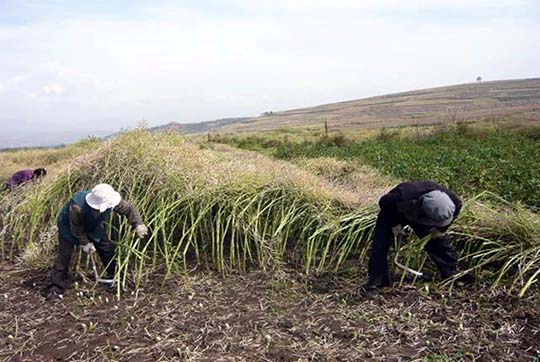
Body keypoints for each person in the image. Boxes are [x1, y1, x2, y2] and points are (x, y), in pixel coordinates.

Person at [46, 183, 148, 301]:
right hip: (69, 227)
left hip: (93, 225)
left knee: (106, 247)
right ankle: (55, 288)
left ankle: (115, 277)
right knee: (64, 255)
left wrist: (138, 224)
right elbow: (76, 228)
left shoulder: (110, 199)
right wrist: (84, 243)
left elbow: (129, 209)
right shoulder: (77, 207)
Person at [366, 180, 474, 289]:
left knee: (438, 242)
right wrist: (395, 225)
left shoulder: (454, 202)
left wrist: (440, 229)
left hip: (424, 215)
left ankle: (451, 273)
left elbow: (451, 217)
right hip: (395, 212)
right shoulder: (402, 195)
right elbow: (383, 203)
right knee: (380, 243)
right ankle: (377, 280)